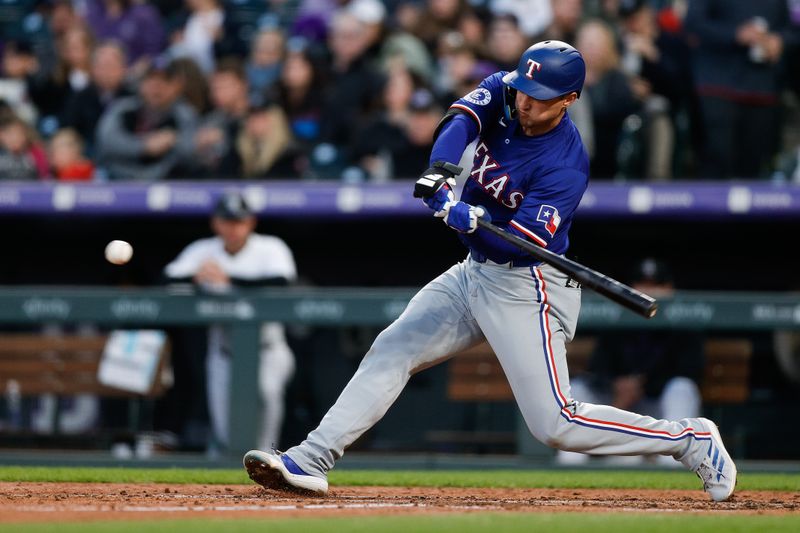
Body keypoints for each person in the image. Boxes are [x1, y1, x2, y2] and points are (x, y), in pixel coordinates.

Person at [243, 40, 737, 503]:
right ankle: (311, 458)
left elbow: (523, 242)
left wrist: (472, 219)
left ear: (568, 99)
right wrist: (441, 172)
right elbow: (461, 120)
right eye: (524, 91)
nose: (525, 103)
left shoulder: (566, 163)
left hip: (528, 285)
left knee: (556, 424)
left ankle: (689, 438)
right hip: (474, 273)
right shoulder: (507, 88)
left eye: (540, 98)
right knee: (393, 347)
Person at [164, 192, 297, 453]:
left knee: (267, 399)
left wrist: (229, 280)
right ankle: (232, 482)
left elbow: (282, 281)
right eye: (227, 221)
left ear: (251, 222)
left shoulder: (271, 247)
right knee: (225, 428)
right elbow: (168, 278)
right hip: (223, 351)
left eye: (239, 221)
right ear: (216, 223)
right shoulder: (203, 250)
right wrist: (195, 277)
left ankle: (268, 463)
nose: (233, 227)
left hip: (268, 349)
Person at [557, 258, 704, 465]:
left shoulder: (683, 323)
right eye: (643, 283)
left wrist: (643, 385)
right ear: (632, 287)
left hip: (658, 407)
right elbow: (598, 367)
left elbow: (691, 372)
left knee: (682, 388)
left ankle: (672, 462)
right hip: (620, 403)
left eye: (657, 284)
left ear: (670, 288)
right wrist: (616, 385)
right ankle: (569, 463)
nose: (650, 290)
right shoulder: (618, 319)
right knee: (579, 388)